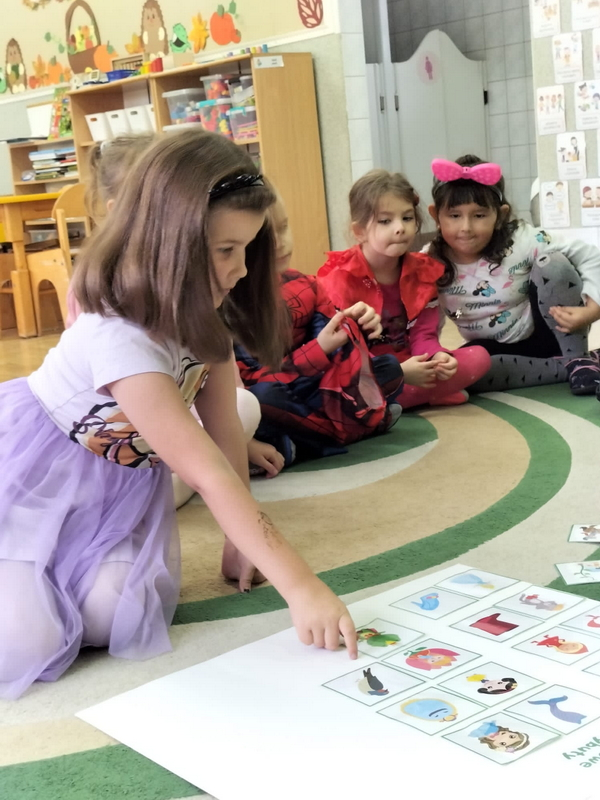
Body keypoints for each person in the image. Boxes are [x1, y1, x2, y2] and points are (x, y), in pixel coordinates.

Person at [0, 130, 357, 700]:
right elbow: (206, 474)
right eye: (225, 250)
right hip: (35, 483)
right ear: (167, 239)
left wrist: (241, 540)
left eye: (247, 248)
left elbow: (223, 435)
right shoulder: (119, 334)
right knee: (28, 642)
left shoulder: (206, 313)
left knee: (114, 613)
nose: (242, 269)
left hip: (113, 491)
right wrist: (302, 586)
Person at [66, 135, 269, 500]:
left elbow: (218, 398)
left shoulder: (204, 295)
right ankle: (183, 478)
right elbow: (132, 407)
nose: (241, 269)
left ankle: (187, 475)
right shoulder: (110, 315)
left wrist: (237, 448)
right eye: (226, 249)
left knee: (245, 407)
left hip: (169, 425)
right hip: (114, 442)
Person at [236, 190, 403, 459]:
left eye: (284, 227)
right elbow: (248, 383)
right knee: (260, 400)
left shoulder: (305, 284)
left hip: (317, 390)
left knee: (389, 369)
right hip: (279, 392)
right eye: (264, 237)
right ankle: (354, 428)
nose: (279, 243)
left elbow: (337, 352)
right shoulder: (230, 304)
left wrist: (353, 324)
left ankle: (302, 443)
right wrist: (318, 349)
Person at [317, 170, 491, 408]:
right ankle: (417, 394)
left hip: (411, 362)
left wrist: (438, 356)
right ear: (359, 231)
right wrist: (397, 372)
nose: (400, 228)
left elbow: (423, 335)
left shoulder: (423, 272)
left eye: (407, 218)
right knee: (344, 387)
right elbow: (343, 352)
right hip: (367, 370)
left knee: (480, 357)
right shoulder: (341, 277)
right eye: (385, 221)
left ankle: (402, 398)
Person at [427, 155, 600, 393]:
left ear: (500, 215)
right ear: (436, 216)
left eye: (479, 215)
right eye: (454, 216)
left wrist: (593, 309)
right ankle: (579, 366)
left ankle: (576, 358)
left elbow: (591, 255)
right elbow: (426, 319)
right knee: (461, 373)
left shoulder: (521, 239)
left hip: (553, 335)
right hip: (492, 348)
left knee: (553, 263)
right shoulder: (429, 261)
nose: (466, 227)